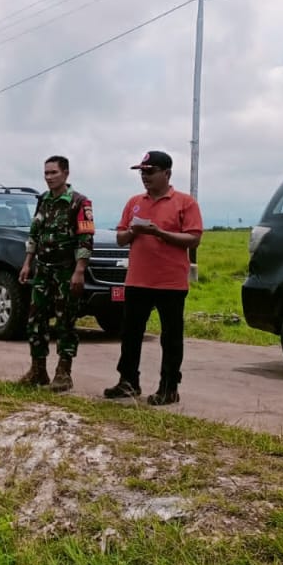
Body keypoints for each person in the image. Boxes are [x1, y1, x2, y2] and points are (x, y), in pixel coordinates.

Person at [102, 151, 203, 406]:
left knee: (170, 337)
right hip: (137, 280)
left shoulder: (185, 202)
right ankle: (128, 381)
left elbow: (193, 238)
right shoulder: (135, 202)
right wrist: (133, 231)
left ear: (166, 173)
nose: (144, 177)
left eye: (150, 171)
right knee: (130, 333)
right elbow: (120, 237)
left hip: (170, 283)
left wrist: (160, 233)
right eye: (141, 172)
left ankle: (169, 387)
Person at [18, 155, 95, 392]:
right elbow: (34, 233)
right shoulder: (43, 200)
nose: (49, 177)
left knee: (66, 321)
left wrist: (79, 271)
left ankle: (63, 373)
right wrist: (27, 263)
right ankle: (38, 369)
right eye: (46, 173)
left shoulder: (79, 203)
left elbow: (86, 238)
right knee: (35, 319)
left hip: (66, 270)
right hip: (43, 268)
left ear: (66, 174)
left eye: (54, 173)